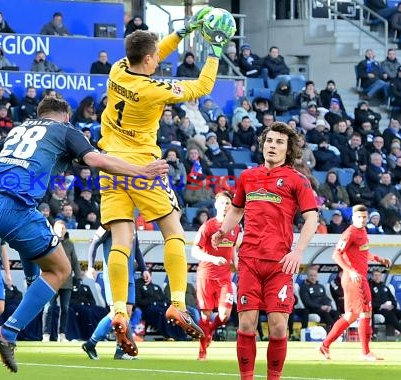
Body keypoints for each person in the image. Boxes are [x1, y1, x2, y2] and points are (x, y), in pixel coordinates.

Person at [0, 96, 168, 372]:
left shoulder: (19, 128)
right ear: (65, 115)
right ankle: (7, 333)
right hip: (11, 208)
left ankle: (31, 276)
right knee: (59, 271)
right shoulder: (65, 130)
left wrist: (30, 179)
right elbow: (95, 160)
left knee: (34, 226)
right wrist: (142, 171)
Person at [97, 6, 230, 357]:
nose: (160, 60)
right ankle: (175, 301)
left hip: (109, 166)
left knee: (121, 243)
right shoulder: (154, 90)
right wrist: (214, 49)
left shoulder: (118, 69)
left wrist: (185, 31)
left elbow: (155, 52)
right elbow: (203, 85)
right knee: (174, 233)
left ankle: (119, 309)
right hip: (142, 168)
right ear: (148, 60)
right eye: (156, 57)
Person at [212, 121, 319, 380]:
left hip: (281, 263)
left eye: (279, 142)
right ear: (263, 145)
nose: (273, 146)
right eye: (269, 141)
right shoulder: (248, 177)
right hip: (249, 259)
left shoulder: (297, 180)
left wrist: (298, 251)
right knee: (247, 324)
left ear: (288, 148)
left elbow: (312, 218)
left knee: (278, 327)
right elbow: (237, 209)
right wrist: (223, 231)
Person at [319, 205, 393, 361]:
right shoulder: (350, 233)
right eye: (359, 217)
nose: (363, 219)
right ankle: (365, 352)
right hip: (354, 279)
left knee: (350, 316)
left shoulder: (363, 231)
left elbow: (363, 252)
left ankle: (325, 345)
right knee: (366, 312)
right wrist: (350, 270)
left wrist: (379, 259)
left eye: (365, 217)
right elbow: (336, 255)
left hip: (358, 278)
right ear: (353, 218)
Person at [82, 226, 149, 360]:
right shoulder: (109, 222)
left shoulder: (132, 225)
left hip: (129, 275)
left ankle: (120, 350)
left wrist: (144, 269)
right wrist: (90, 266)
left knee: (127, 312)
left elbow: (136, 249)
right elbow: (94, 243)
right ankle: (91, 343)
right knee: (116, 313)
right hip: (113, 275)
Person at [191, 191, 241, 361]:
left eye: (228, 203)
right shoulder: (208, 226)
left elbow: (233, 247)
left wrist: (236, 260)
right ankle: (202, 351)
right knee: (205, 316)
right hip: (206, 276)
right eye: (222, 203)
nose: (225, 206)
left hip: (225, 277)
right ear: (215, 205)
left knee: (224, 315)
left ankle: (208, 332)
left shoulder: (235, 227)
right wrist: (213, 258)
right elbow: (194, 250)